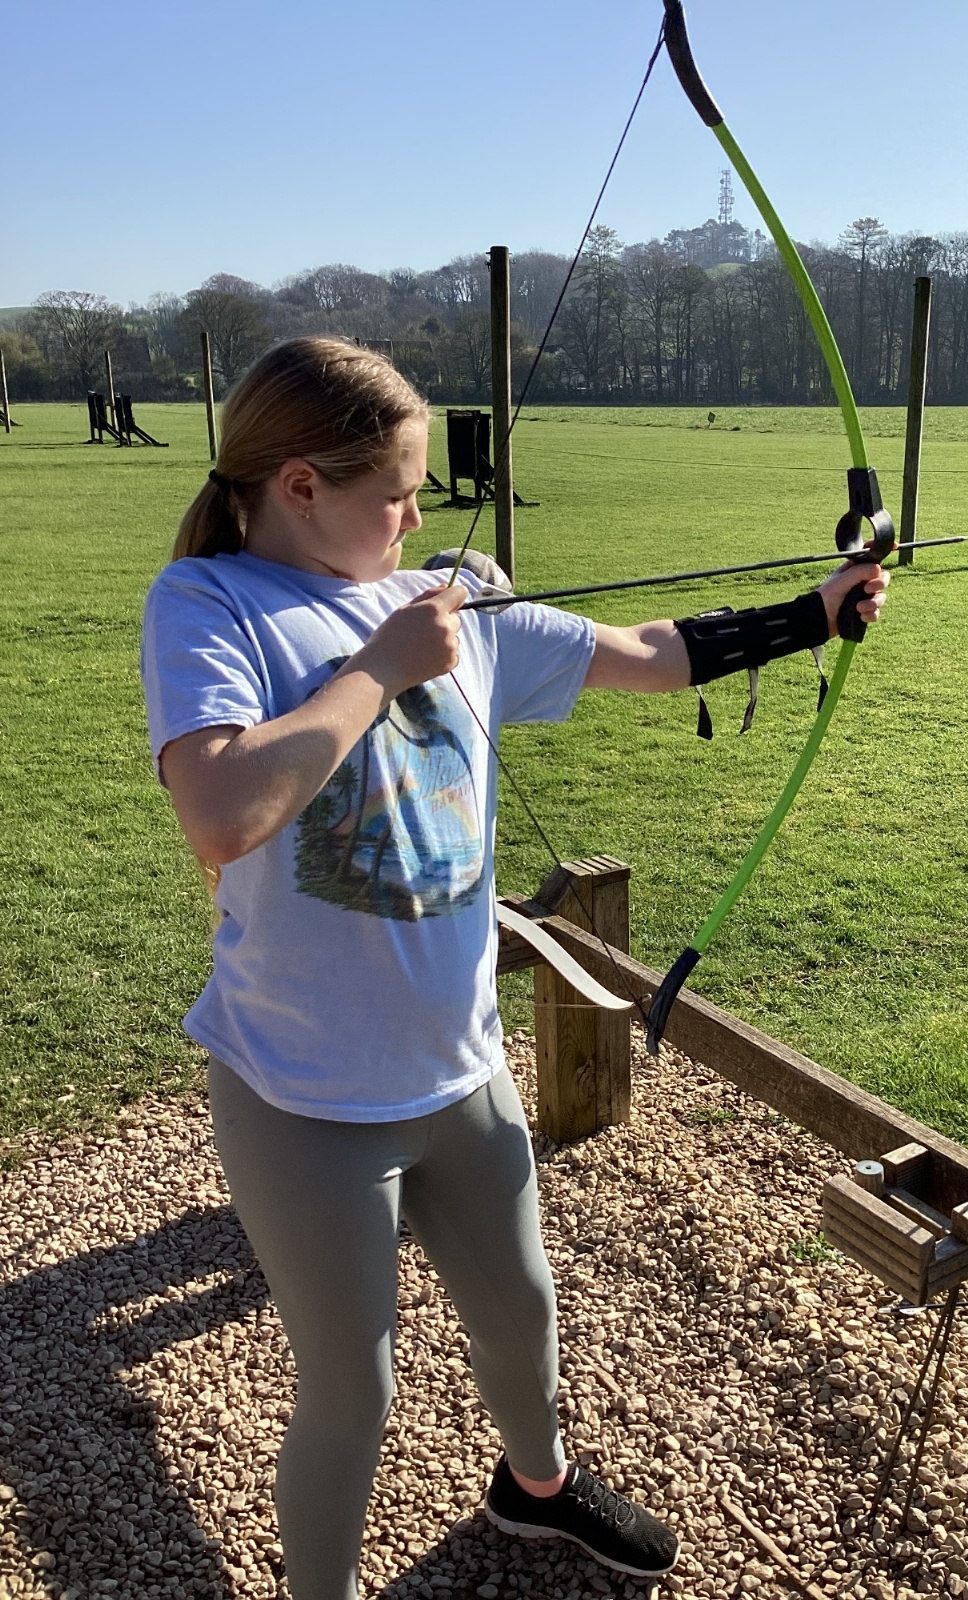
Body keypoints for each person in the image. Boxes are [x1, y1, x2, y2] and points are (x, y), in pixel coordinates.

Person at [140, 338, 888, 1600]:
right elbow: (220, 810)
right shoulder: (210, 602)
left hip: (461, 1070)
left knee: (524, 1311)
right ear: (301, 486)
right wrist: (380, 666)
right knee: (353, 1389)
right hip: (303, 1095)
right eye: (396, 492)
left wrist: (813, 614)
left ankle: (535, 1485)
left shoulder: (448, 606)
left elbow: (646, 650)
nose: (416, 517)